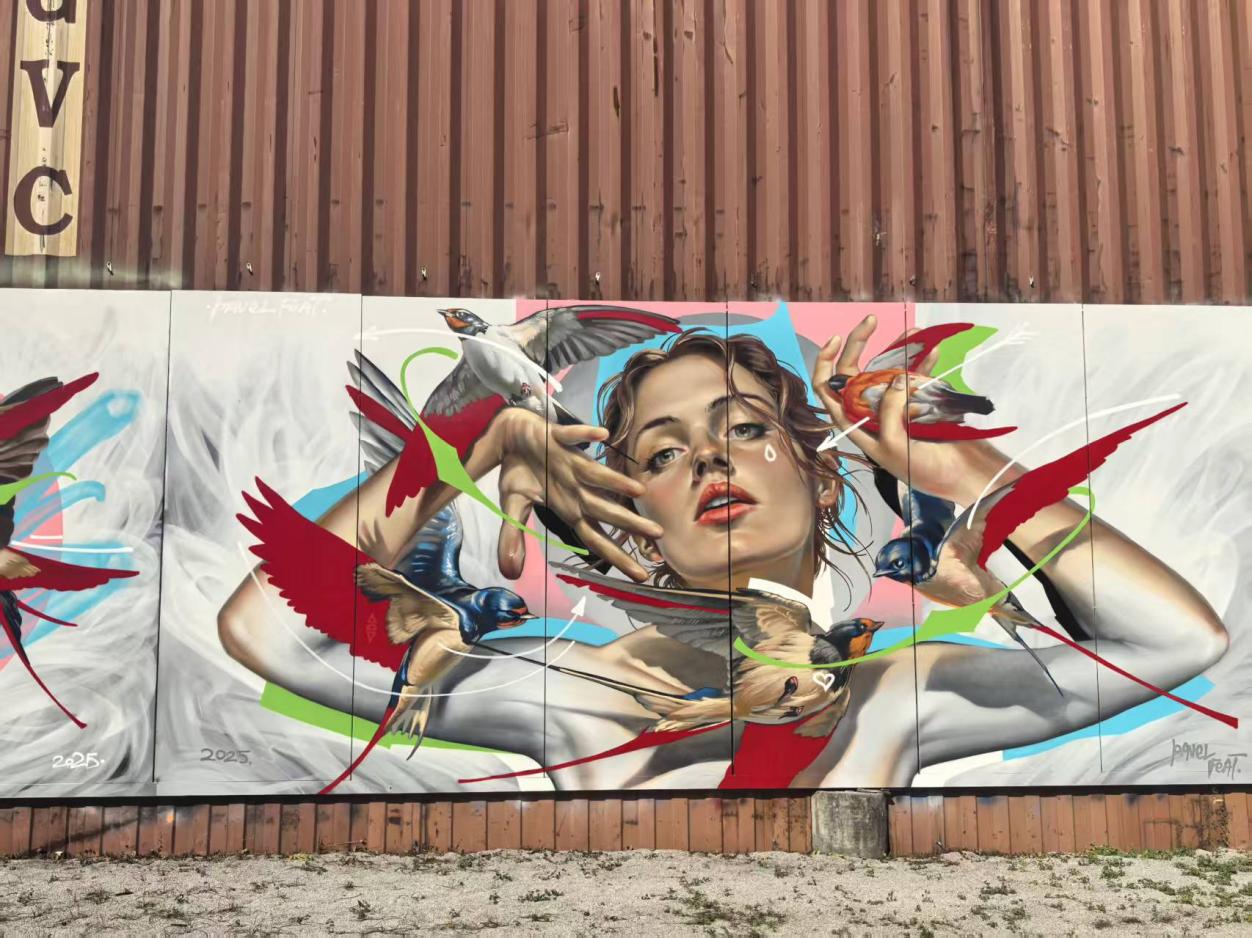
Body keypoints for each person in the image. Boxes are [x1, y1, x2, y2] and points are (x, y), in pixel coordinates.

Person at [219, 313, 1229, 788]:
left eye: (744, 427)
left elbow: (1177, 643)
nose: (708, 455)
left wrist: (962, 469)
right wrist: (466, 438)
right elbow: (267, 635)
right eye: (662, 452)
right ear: (629, 519)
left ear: (823, 479)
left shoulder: (893, 695)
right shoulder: (568, 693)